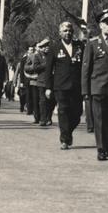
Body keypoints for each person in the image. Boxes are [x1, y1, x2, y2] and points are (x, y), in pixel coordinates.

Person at [82, 6, 108, 160]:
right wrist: (85, 91)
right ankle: (101, 148)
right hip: (98, 88)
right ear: (100, 25)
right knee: (99, 120)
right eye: (106, 23)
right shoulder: (93, 43)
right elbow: (86, 68)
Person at [43, 21, 85, 149]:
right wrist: (48, 87)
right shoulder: (55, 48)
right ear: (60, 33)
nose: (68, 33)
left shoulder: (80, 46)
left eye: (70, 31)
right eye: (65, 31)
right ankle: (64, 139)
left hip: (77, 86)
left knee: (77, 113)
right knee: (63, 111)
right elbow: (49, 69)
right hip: (60, 86)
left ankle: (68, 132)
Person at [25, 39, 51, 125]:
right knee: (42, 100)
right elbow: (35, 67)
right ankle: (42, 119)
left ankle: (48, 117)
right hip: (41, 81)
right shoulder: (37, 56)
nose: (47, 48)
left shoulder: (51, 55)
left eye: (48, 46)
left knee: (51, 101)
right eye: (45, 47)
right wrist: (46, 65)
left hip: (51, 81)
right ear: (41, 48)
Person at [14, 46, 34, 114]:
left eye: (33, 50)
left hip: (33, 78)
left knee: (32, 94)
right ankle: (28, 108)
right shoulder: (24, 59)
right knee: (26, 94)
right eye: (31, 50)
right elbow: (21, 71)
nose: (32, 51)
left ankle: (31, 108)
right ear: (28, 51)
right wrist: (21, 81)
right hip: (25, 79)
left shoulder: (35, 58)